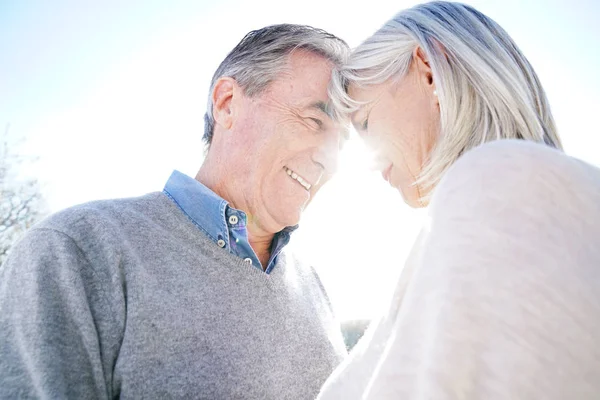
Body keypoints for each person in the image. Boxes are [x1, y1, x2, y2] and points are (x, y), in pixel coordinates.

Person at [0, 24, 350, 399]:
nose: (329, 159)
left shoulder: (314, 287)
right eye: (315, 122)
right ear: (227, 102)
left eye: (342, 141)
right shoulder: (77, 250)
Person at [318, 2, 600, 398]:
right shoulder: (520, 209)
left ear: (429, 71)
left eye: (365, 123)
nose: (369, 163)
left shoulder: (494, 179)